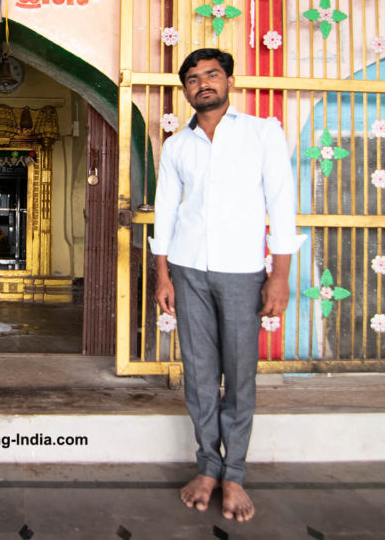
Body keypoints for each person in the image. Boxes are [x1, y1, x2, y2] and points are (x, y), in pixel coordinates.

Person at [151, 48, 304, 522]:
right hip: (189, 270)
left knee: (239, 375)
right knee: (199, 374)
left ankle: (234, 473)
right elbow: (166, 212)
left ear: (230, 81)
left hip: (242, 273)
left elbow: (281, 205)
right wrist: (163, 275)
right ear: (186, 91)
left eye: (212, 75)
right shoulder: (177, 146)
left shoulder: (263, 133)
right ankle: (208, 468)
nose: (203, 84)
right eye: (193, 79)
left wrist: (278, 277)